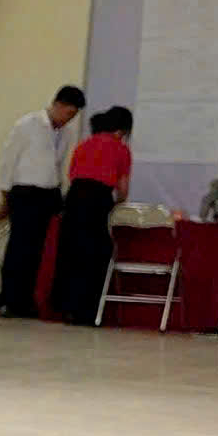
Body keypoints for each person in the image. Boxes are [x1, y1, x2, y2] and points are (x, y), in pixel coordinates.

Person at [0, 84, 85, 319]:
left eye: (74, 116)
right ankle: (8, 301)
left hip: (49, 193)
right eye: (68, 113)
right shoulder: (28, 124)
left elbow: (58, 165)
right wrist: (5, 197)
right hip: (24, 192)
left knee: (37, 252)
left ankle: (25, 302)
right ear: (57, 105)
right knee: (18, 249)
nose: (69, 119)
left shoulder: (66, 133)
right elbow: (8, 161)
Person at [53, 106, 135, 325]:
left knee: (71, 252)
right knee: (95, 255)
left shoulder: (83, 144)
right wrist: (115, 203)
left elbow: (72, 175)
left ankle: (66, 308)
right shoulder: (121, 148)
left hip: (74, 199)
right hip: (98, 200)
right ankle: (87, 311)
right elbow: (122, 190)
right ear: (122, 130)